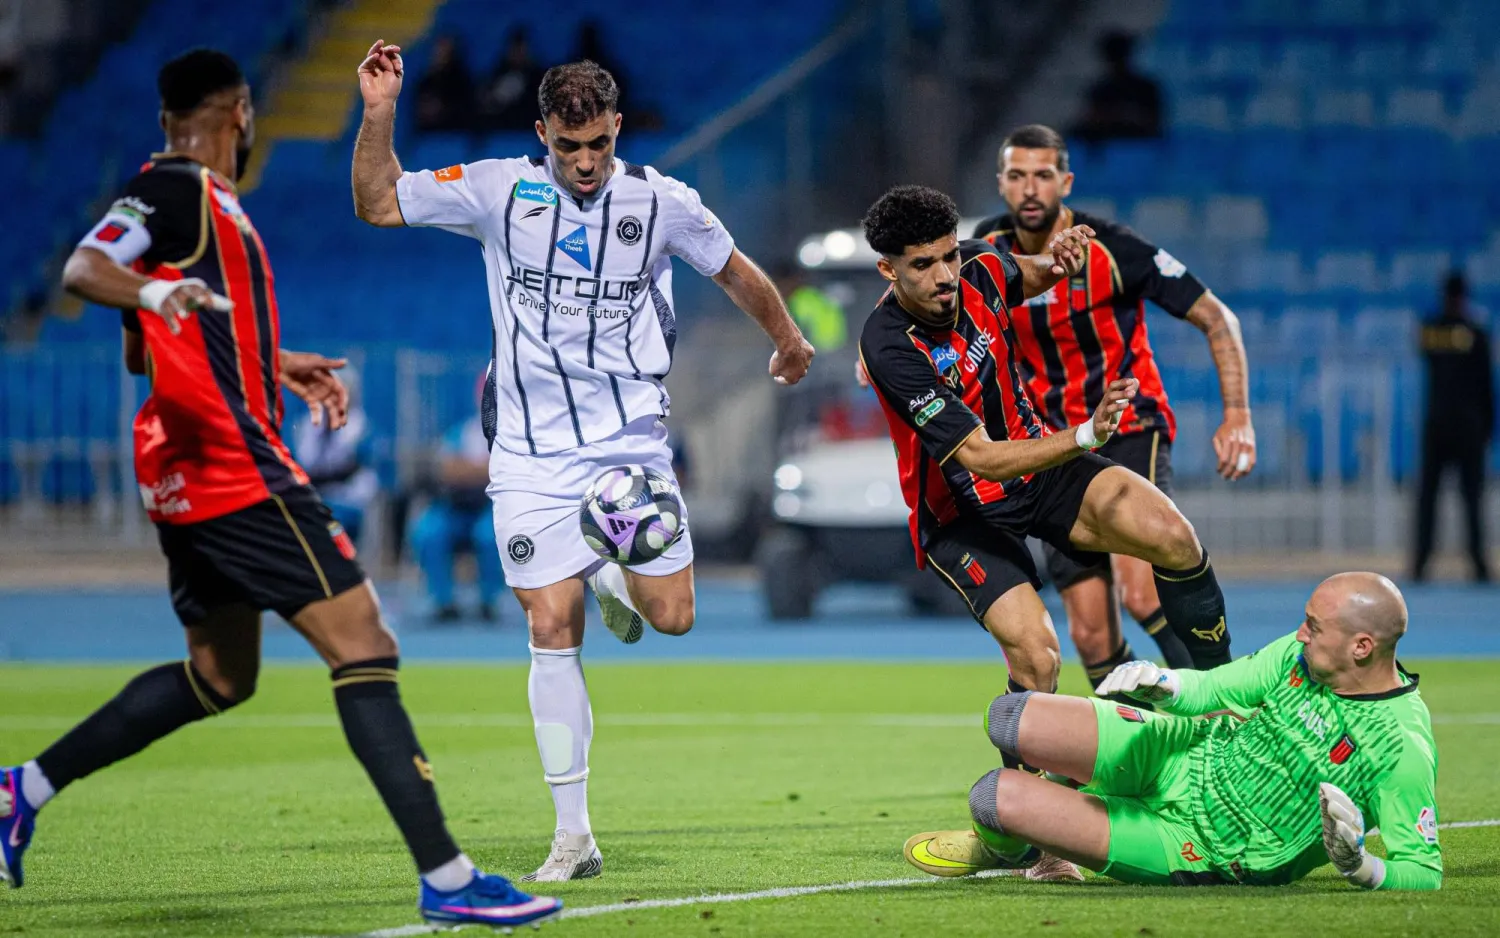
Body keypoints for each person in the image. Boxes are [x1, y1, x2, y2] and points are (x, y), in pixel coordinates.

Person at [0, 49, 561, 928]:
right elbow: (85, 269)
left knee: (220, 676)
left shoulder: (198, 203)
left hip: (181, 470)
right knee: (366, 645)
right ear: (240, 111)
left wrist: (274, 362)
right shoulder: (180, 191)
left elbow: (145, 346)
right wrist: (152, 291)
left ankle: (21, 788)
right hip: (235, 466)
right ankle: (450, 880)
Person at [353, 44, 814, 880]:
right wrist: (381, 111)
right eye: (569, 148)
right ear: (543, 137)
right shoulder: (498, 190)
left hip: (630, 445)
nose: (587, 163)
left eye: (598, 144)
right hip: (528, 450)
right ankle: (574, 833)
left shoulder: (661, 202)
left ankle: (610, 570)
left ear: (616, 130)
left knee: (672, 617)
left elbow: (735, 269)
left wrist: (785, 338)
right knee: (546, 625)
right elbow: (380, 202)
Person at [858, 184, 1234, 879]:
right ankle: (1038, 838)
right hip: (965, 514)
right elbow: (979, 457)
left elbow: (1023, 273)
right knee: (1038, 657)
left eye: (947, 257)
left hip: (1042, 474)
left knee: (1171, 533)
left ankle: (1227, 694)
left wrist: (1058, 260)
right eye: (921, 265)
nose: (943, 277)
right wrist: (1088, 432)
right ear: (889, 270)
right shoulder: (889, 345)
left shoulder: (980, 266)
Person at [904, 573, 1442, 891]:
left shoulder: (1400, 747)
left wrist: (1363, 867)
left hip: (1201, 846)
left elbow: (1424, 870)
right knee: (1009, 717)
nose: (1300, 632)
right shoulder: (1299, 655)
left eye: (1314, 626)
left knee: (991, 798)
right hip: (1182, 754)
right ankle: (1019, 847)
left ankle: (1019, 840)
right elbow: (1214, 689)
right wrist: (1163, 684)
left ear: (1362, 647)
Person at [971, 124, 1255, 688]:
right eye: (1018, 175)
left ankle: (1227, 711)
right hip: (1054, 445)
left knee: (1143, 587)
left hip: (1129, 425)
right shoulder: (985, 249)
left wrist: (1238, 415)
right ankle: (1142, 747)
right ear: (1002, 183)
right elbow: (938, 309)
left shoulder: (1114, 248)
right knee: (1091, 635)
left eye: (1044, 175)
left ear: (1066, 182)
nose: (1031, 188)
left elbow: (1217, 316)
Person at [1412, 271, 1494, 582]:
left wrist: (1487, 425)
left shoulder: (1466, 331)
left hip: (1460, 426)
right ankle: (1421, 561)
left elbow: (1486, 382)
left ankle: (1476, 562)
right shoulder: (1448, 330)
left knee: (1471, 498)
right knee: (1431, 498)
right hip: (1446, 426)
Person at [411, 411, 503, 622]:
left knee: (490, 536)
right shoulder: (462, 431)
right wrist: (482, 469)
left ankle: (489, 601)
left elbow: (504, 472)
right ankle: (443, 601)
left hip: (489, 507)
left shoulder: (512, 433)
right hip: (452, 506)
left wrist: (467, 470)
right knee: (429, 533)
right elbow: (447, 470)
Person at [291, 364, 378, 545]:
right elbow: (302, 462)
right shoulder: (307, 425)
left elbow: (349, 469)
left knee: (329, 526)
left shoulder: (360, 427)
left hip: (347, 501)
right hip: (312, 499)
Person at [1072, 31, 1162, 142]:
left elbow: (1154, 122)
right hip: (1109, 138)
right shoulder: (1101, 89)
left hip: (1138, 140)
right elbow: (1093, 118)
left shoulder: (1145, 88)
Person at [480, 27, 545, 132]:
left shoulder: (537, 76)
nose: (518, 54)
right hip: (500, 126)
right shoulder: (498, 73)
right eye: (515, 49)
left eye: (521, 49)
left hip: (527, 128)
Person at [414, 34, 474, 133]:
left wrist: (442, 109)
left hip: (455, 133)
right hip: (427, 135)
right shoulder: (426, 80)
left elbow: (466, 107)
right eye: (438, 49)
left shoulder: (461, 80)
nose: (440, 53)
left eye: (445, 50)